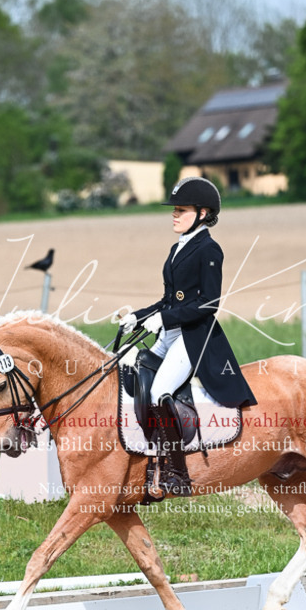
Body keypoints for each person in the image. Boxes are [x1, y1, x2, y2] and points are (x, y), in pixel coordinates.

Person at [120, 176, 257, 496]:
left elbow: (208, 304)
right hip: (171, 333)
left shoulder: (210, 249)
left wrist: (163, 319)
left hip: (195, 337)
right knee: (132, 377)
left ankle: (176, 472)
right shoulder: (178, 246)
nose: (174, 214)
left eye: (181, 210)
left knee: (160, 391)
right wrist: (138, 317)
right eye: (174, 209)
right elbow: (170, 300)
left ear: (202, 212)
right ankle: (142, 456)